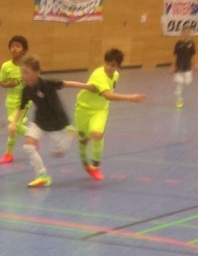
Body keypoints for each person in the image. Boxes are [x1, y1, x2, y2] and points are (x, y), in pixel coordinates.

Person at [8, 56, 95, 187]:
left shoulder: (47, 83)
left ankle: (70, 133)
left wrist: (87, 87)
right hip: (40, 121)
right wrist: (14, 123)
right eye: (22, 73)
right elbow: (21, 107)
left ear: (37, 72)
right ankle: (42, 175)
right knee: (28, 146)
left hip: (58, 123)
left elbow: (66, 83)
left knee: (57, 153)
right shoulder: (26, 89)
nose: (23, 76)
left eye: (26, 73)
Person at [74, 48, 147, 181]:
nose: (108, 67)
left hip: (100, 110)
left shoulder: (116, 75)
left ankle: (95, 166)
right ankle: (85, 165)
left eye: (112, 65)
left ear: (118, 66)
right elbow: (108, 95)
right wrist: (131, 97)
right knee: (83, 140)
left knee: (97, 134)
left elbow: (107, 96)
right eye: (106, 63)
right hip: (83, 109)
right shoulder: (99, 75)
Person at [0, 36, 29, 164]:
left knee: (13, 126)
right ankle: (32, 135)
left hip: (24, 101)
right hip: (10, 101)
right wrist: (8, 85)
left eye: (18, 46)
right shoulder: (6, 66)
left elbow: (34, 80)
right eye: (12, 46)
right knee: (14, 127)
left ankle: (8, 154)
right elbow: (1, 82)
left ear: (24, 50)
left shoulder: (28, 66)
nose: (14, 48)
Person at [172, 24, 198, 109]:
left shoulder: (191, 43)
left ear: (190, 33)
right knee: (179, 83)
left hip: (188, 66)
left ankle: (179, 90)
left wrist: (197, 63)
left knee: (187, 82)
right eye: (185, 32)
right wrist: (173, 66)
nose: (186, 33)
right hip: (179, 66)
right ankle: (179, 100)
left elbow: (194, 54)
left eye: (188, 32)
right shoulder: (178, 43)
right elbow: (175, 55)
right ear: (182, 33)